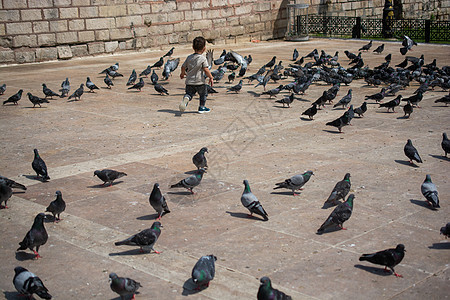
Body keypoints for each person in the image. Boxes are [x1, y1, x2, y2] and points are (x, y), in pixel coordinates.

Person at [179, 36, 214, 113]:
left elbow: (183, 66)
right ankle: (202, 107)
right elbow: (206, 69)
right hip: (200, 82)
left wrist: (182, 74)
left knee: (189, 94)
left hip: (189, 82)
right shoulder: (203, 59)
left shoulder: (189, 57)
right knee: (203, 94)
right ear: (204, 48)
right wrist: (211, 77)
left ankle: (186, 98)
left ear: (192, 47)